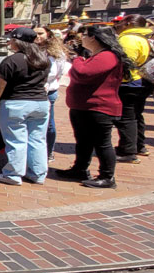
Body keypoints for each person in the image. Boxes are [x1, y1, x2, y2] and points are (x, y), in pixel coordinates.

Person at [56, 26, 131, 189]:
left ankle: (107, 176)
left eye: (84, 35)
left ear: (94, 38)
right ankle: (80, 169)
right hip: (84, 107)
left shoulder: (107, 56)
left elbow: (83, 73)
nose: (81, 38)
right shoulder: (96, 55)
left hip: (99, 107)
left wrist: (76, 59)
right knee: (83, 141)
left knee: (102, 143)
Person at [0, 28, 51, 185]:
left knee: (16, 140)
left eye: (11, 39)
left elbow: (0, 86)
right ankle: (38, 173)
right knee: (37, 139)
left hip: (16, 103)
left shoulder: (12, 61)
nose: (9, 42)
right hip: (41, 103)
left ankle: (13, 174)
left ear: (17, 41)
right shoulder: (44, 59)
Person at [112, 15, 154, 162]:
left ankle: (128, 151)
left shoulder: (128, 39)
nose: (118, 24)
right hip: (137, 80)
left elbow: (123, 64)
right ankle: (138, 145)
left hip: (127, 82)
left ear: (128, 23)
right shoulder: (142, 37)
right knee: (135, 116)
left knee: (126, 117)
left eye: (120, 22)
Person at [35, 27, 69, 162]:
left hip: (48, 92)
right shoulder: (30, 49)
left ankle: (49, 151)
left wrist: (48, 84)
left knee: (48, 123)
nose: (37, 36)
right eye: (35, 33)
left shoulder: (57, 53)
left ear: (47, 34)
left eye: (40, 33)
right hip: (33, 90)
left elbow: (58, 72)